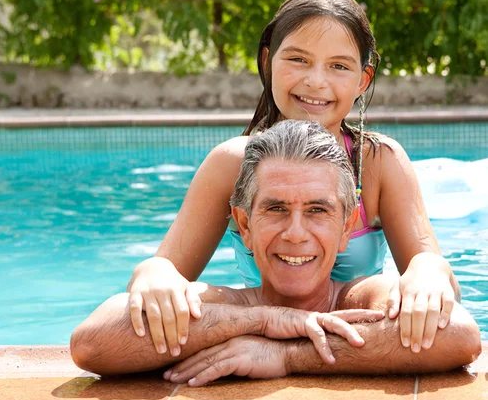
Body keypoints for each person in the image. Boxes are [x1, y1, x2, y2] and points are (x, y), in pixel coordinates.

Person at [127, 0, 460, 361]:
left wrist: (429, 269)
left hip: (354, 348)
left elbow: (439, 286)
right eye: (298, 60)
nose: (316, 81)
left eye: (338, 66)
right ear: (268, 62)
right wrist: (153, 272)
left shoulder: (379, 161)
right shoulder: (232, 165)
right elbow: (166, 278)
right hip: (259, 333)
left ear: (362, 81)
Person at [70, 121, 480, 384]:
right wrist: (268, 319)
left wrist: (285, 355)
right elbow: (91, 343)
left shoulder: (365, 297)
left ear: (346, 229)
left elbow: (459, 336)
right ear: (244, 226)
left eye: (317, 210)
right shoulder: (225, 304)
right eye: (276, 209)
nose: (295, 233)